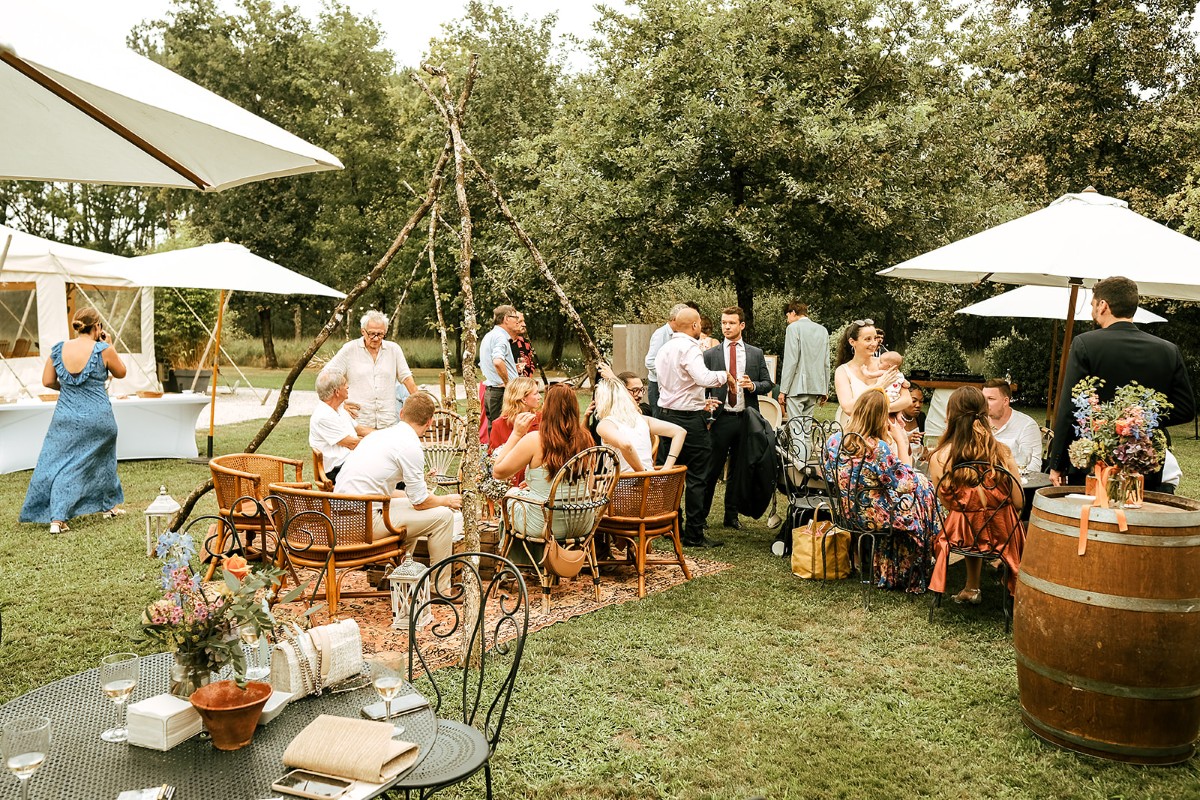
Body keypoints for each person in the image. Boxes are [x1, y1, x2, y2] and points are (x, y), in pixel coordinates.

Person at [1048, 276, 1195, 490]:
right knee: (1143, 517)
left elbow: (1069, 408)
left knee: (1097, 518)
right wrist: (1137, 422)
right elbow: (1185, 410)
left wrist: (1056, 464)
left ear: (1103, 305)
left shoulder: (1085, 344)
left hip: (1095, 459)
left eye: (1092, 304)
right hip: (1146, 457)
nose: (1092, 311)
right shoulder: (1168, 350)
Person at [334, 393, 459, 594]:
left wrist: (417, 498)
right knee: (443, 517)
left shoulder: (377, 436)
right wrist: (447, 500)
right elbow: (420, 502)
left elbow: (389, 492)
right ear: (429, 422)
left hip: (340, 517)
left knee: (410, 512)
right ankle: (440, 589)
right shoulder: (410, 446)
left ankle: (397, 576)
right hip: (361, 524)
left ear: (402, 413)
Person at [20, 307, 126, 534]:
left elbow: (47, 381)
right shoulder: (103, 349)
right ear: (97, 327)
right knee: (101, 460)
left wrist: (69, 388)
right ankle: (59, 517)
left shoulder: (58, 349)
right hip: (99, 418)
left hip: (65, 417)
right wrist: (110, 343)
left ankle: (106, 506)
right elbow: (121, 372)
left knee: (60, 463)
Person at [823, 390, 936, 592]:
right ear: (880, 417)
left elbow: (830, 477)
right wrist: (901, 440)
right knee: (923, 493)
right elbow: (905, 484)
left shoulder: (834, 440)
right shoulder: (877, 447)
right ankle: (912, 568)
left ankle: (891, 569)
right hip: (876, 517)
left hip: (846, 512)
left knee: (921, 492)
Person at [927, 387, 1025, 604]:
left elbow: (947, 503)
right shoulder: (1002, 452)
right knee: (1003, 517)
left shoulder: (939, 457)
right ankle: (1011, 577)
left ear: (950, 416)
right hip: (1003, 532)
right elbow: (1018, 501)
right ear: (984, 414)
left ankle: (972, 588)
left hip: (961, 533)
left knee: (968, 516)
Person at [655, 306, 737, 548]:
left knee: (670, 473)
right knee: (697, 475)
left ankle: (670, 526)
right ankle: (693, 534)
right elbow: (703, 378)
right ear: (694, 326)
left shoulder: (665, 348)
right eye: (699, 323)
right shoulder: (689, 347)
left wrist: (699, 401)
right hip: (688, 421)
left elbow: (675, 385)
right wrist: (726, 376)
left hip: (665, 416)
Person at [493, 382, 596, 544]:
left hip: (543, 526)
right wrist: (540, 486)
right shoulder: (586, 438)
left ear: (547, 409)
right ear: (575, 409)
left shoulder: (535, 440)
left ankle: (521, 561)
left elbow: (498, 472)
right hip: (582, 523)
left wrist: (516, 434)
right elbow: (588, 486)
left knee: (511, 494)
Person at [701, 307, 774, 530]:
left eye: (731, 323)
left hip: (745, 418)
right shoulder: (710, 355)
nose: (726, 327)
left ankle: (731, 516)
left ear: (741, 325)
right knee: (711, 469)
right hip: (721, 418)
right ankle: (701, 516)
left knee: (739, 469)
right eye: (724, 323)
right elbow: (702, 386)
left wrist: (753, 385)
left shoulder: (755, 353)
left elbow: (767, 383)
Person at [325, 310, 417, 431]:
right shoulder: (350, 349)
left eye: (380, 334)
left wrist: (420, 403)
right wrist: (340, 406)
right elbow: (327, 376)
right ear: (363, 331)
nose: (375, 338)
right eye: (371, 334)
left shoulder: (394, 350)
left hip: (388, 422)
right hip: (359, 422)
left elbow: (407, 378)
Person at [594, 377, 686, 472]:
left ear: (603, 400)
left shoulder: (605, 425)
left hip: (625, 483)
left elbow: (626, 445)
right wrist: (667, 467)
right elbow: (680, 431)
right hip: (652, 481)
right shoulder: (643, 419)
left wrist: (642, 473)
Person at [833, 319, 910, 429]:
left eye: (875, 338)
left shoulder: (886, 364)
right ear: (852, 342)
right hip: (856, 430)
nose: (874, 343)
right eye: (868, 339)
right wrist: (878, 387)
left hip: (886, 430)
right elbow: (848, 408)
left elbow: (907, 400)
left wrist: (882, 409)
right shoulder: (843, 371)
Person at [309, 369, 372, 484]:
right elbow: (353, 444)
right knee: (385, 467)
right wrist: (383, 442)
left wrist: (388, 434)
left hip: (350, 462)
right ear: (337, 392)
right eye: (344, 384)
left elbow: (360, 430)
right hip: (336, 470)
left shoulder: (339, 409)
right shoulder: (323, 416)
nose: (347, 386)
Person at [776, 300, 829, 419]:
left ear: (793, 312)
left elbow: (791, 361)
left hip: (796, 387)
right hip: (815, 387)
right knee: (806, 427)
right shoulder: (822, 330)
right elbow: (826, 362)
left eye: (787, 316)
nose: (787, 320)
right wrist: (825, 389)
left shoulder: (793, 328)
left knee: (796, 428)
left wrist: (783, 390)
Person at [644, 302, 698, 418]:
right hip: (658, 387)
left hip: (674, 388)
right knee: (660, 421)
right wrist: (667, 377)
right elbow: (650, 361)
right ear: (674, 319)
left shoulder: (680, 335)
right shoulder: (660, 334)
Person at [982, 378, 1042, 473]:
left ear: (1005, 401)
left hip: (1013, 481)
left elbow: (1033, 466)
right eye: (983, 399)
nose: (985, 403)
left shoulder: (1026, 425)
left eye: (990, 399)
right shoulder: (979, 422)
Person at [479, 304, 523, 434]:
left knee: (495, 431)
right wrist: (509, 384)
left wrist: (511, 368)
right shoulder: (500, 338)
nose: (518, 321)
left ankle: (493, 454)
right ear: (506, 319)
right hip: (501, 393)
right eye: (515, 317)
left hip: (492, 392)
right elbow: (498, 362)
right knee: (504, 432)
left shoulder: (489, 336)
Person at [510, 311, 539, 379]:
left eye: (524, 321)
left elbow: (531, 365)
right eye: (520, 321)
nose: (524, 324)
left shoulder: (525, 343)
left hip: (524, 385)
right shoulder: (502, 343)